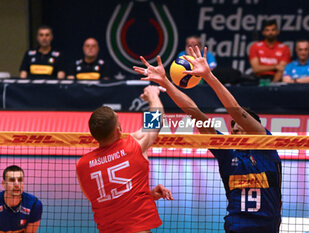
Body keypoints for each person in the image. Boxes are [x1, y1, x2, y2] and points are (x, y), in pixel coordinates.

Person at [133, 46, 282, 233]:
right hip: (233, 228)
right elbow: (181, 116)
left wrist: (206, 77)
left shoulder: (265, 145)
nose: (235, 133)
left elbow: (231, 109)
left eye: (240, 129)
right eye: (233, 131)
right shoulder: (226, 151)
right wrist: (161, 89)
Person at [76, 86, 173, 233]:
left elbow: (98, 199)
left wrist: (145, 195)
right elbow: (156, 121)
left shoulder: (82, 165)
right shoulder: (132, 146)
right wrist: (152, 95)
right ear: (118, 130)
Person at [0, 165, 43, 233]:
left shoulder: (34, 205)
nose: (17, 184)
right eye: (12, 180)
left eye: (20, 180)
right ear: (3, 184)